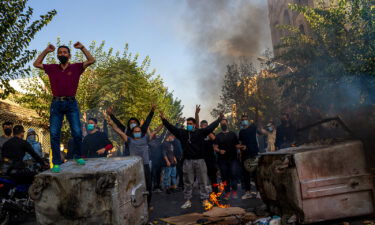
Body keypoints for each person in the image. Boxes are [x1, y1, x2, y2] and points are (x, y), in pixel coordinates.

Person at [33, 42, 96, 173]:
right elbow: (36, 64)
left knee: (77, 132)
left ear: (69, 55)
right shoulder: (52, 68)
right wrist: (46, 50)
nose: (62, 54)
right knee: (55, 134)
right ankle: (56, 162)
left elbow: (91, 60)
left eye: (64, 52)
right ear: (57, 55)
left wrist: (82, 48)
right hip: (56, 104)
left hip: (71, 103)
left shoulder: (77, 67)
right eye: (60, 52)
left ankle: (78, 156)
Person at [160, 111, 224, 209]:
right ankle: (187, 200)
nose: (189, 125)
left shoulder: (200, 132)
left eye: (190, 124)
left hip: (200, 160)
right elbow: (171, 128)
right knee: (188, 182)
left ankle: (205, 199)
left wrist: (219, 119)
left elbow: (210, 127)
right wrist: (163, 119)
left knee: (202, 181)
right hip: (188, 161)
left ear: (194, 125)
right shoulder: (182, 133)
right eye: (187, 124)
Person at [107, 109, 158, 207]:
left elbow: (147, 121)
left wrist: (152, 111)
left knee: (147, 183)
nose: (133, 124)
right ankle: (132, 203)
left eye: (134, 122)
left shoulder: (142, 132)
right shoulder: (126, 132)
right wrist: (112, 117)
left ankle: (147, 204)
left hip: (144, 161)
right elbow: (118, 127)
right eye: (131, 123)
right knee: (132, 182)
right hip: (130, 159)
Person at [214, 119, 244, 200]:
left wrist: (242, 146)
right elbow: (215, 147)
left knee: (233, 174)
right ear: (220, 125)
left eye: (224, 123)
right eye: (222, 123)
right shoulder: (218, 136)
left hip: (233, 158)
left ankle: (234, 191)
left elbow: (237, 145)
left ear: (227, 123)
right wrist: (219, 151)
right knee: (224, 176)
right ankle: (227, 193)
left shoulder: (233, 134)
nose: (223, 124)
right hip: (222, 160)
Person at [238, 115, 259, 199]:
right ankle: (248, 192)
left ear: (248, 120)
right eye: (242, 120)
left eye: (245, 119)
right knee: (246, 174)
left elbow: (257, 121)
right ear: (241, 122)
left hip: (253, 154)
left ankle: (259, 192)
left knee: (255, 174)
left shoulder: (253, 128)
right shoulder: (241, 132)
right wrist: (241, 148)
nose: (244, 121)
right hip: (245, 155)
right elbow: (240, 143)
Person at [200, 120, 218, 192]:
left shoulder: (211, 133)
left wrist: (207, 131)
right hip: (201, 159)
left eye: (206, 125)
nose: (204, 126)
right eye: (203, 125)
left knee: (213, 177)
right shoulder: (199, 133)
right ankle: (204, 194)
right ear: (201, 126)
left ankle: (215, 192)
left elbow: (214, 139)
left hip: (211, 159)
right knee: (202, 177)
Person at [148, 125, 165, 192]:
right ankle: (155, 186)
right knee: (154, 174)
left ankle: (159, 186)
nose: (154, 134)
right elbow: (148, 132)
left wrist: (165, 125)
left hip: (160, 160)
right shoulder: (149, 141)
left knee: (159, 173)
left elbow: (164, 133)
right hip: (153, 160)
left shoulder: (159, 139)